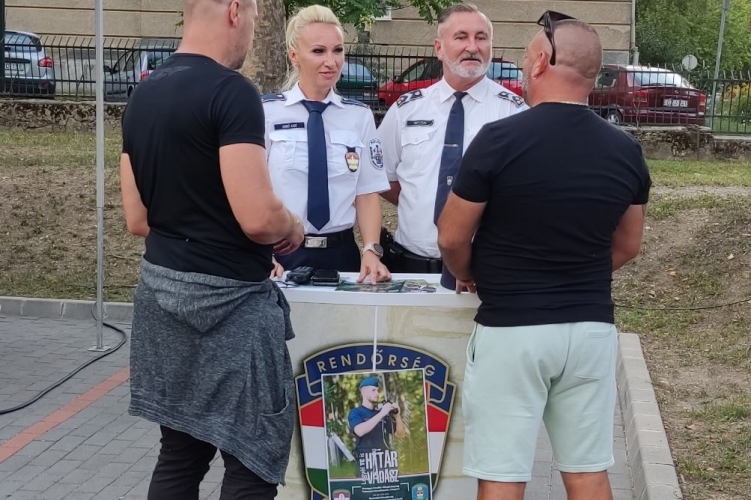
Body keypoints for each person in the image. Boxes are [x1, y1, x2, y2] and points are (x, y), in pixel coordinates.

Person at [437, 11, 651, 500]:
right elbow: (628, 244)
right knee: (589, 471)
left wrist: (471, 274)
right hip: (590, 329)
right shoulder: (626, 150)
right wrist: (577, 274)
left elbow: (451, 236)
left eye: (526, 55)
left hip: (513, 329)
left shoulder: (498, 140)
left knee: (503, 475)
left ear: (540, 62)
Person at [119, 0, 305, 499]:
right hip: (232, 306)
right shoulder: (231, 91)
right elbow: (258, 218)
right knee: (252, 460)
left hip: (162, 294)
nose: (253, 29)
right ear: (235, 10)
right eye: (255, 17)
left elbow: (137, 218)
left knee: (181, 454)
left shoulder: (143, 93)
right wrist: (292, 224)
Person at [376, 2, 528, 289]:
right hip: (412, 267)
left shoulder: (514, 112)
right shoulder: (407, 109)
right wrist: (419, 200)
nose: (472, 47)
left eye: (481, 38)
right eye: (461, 37)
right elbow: (382, 178)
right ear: (439, 48)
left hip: (482, 273)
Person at [263, 5, 392, 284]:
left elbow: (367, 192)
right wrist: (259, 252)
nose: (331, 62)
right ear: (294, 55)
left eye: (338, 50)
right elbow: (250, 190)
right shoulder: (267, 113)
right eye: (318, 51)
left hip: (341, 254)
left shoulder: (359, 116)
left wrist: (371, 250)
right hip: (280, 256)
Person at [348, 376, 406, 473]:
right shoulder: (356, 413)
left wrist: (397, 416)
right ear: (363, 392)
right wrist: (382, 413)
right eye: (373, 390)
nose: (377, 394)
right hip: (366, 466)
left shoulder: (382, 414)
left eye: (378, 390)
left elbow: (400, 434)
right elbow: (359, 431)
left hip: (386, 466)